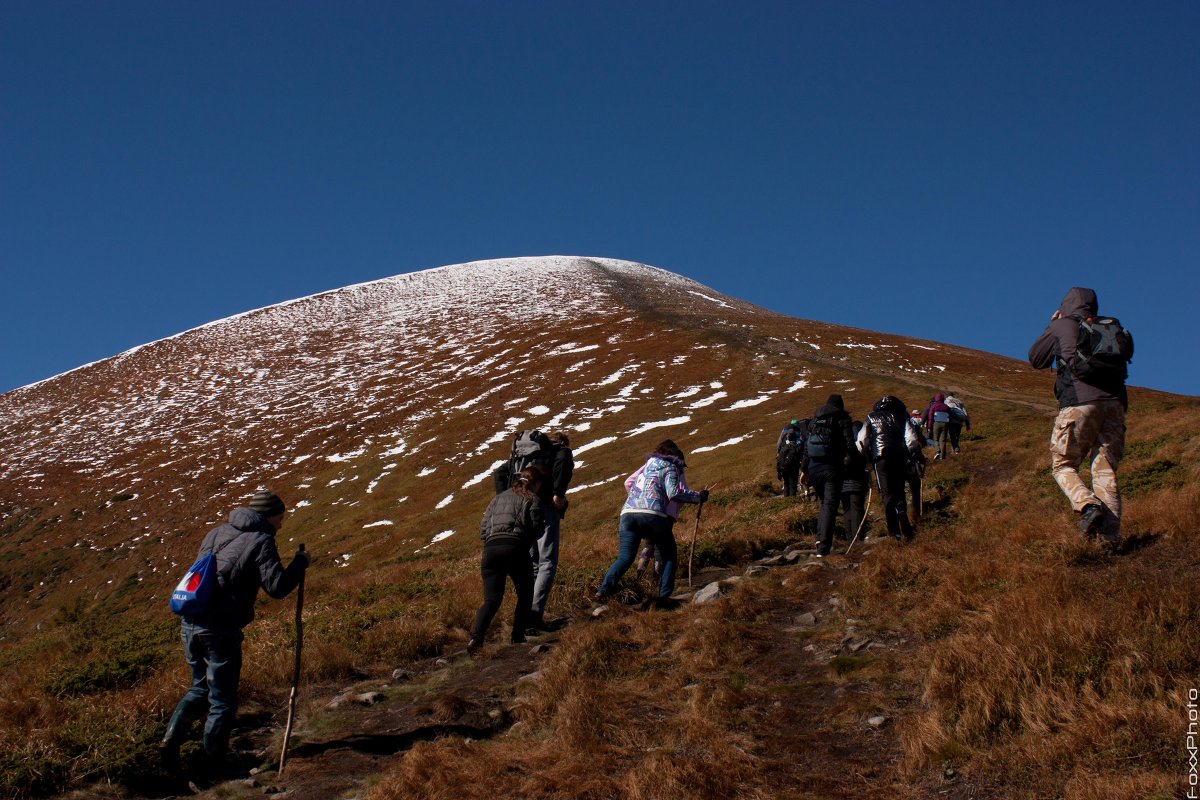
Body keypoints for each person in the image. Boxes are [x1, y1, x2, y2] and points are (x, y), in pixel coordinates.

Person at [161, 490, 309, 771]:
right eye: (280, 517)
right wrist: (300, 562)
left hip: (190, 623)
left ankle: (170, 743)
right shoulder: (261, 540)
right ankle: (214, 764)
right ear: (270, 515)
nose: (282, 524)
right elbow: (277, 588)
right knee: (222, 699)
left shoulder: (216, 533)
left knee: (199, 689)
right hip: (220, 630)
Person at [1028, 287, 1133, 543]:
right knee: (1105, 471)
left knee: (1063, 465)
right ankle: (1108, 541)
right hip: (1115, 406)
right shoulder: (1109, 327)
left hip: (1078, 403)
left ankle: (1087, 505)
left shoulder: (1062, 325)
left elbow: (1036, 359)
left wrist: (1053, 324)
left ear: (1066, 304)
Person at [596, 440, 708, 608]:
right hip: (652, 514)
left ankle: (603, 591)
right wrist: (698, 496)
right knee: (669, 554)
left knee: (625, 557)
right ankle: (664, 597)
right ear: (675, 457)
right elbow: (674, 493)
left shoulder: (647, 466)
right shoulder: (671, 467)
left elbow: (629, 483)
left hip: (627, 514)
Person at [469, 466, 545, 651]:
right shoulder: (532, 498)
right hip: (515, 547)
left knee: (491, 599)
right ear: (536, 482)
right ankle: (517, 637)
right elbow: (537, 527)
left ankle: (476, 638)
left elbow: (483, 528)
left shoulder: (498, 498)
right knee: (525, 594)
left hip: (491, 549)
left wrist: (491, 539)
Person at [857, 396, 924, 542]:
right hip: (899, 456)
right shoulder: (902, 416)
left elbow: (861, 439)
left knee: (886, 493)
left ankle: (894, 532)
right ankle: (901, 510)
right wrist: (913, 453)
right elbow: (911, 439)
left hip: (880, 458)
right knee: (899, 489)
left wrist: (866, 457)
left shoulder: (871, 417)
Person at [527, 431, 573, 632]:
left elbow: (501, 472)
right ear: (563, 442)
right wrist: (558, 494)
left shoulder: (530, 454)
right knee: (547, 562)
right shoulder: (561, 451)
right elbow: (563, 466)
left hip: (525, 507)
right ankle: (534, 615)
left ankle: (524, 614)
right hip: (546, 507)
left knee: (534, 563)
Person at [803, 395, 857, 556]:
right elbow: (849, 444)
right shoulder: (842, 418)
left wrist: (804, 470)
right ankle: (824, 546)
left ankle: (820, 539)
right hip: (832, 468)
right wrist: (858, 463)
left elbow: (806, 447)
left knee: (824, 504)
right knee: (830, 505)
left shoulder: (815, 419)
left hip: (813, 469)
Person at [841, 421, 870, 543]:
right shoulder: (860, 446)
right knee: (857, 508)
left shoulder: (843, 446)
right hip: (858, 482)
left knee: (847, 509)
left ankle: (849, 538)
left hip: (842, 483)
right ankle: (858, 537)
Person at [776, 419, 804, 497]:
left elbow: (779, 443)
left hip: (784, 462)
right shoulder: (798, 432)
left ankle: (787, 499)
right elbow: (801, 445)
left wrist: (778, 452)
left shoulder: (784, 430)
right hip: (794, 463)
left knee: (786, 482)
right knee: (793, 482)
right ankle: (792, 499)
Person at [923, 393, 953, 460]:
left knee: (936, 439)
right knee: (943, 440)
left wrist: (929, 427)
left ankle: (937, 451)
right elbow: (950, 416)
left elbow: (930, 417)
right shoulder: (946, 407)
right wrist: (948, 425)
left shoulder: (933, 406)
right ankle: (942, 457)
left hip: (936, 423)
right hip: (945, 424)